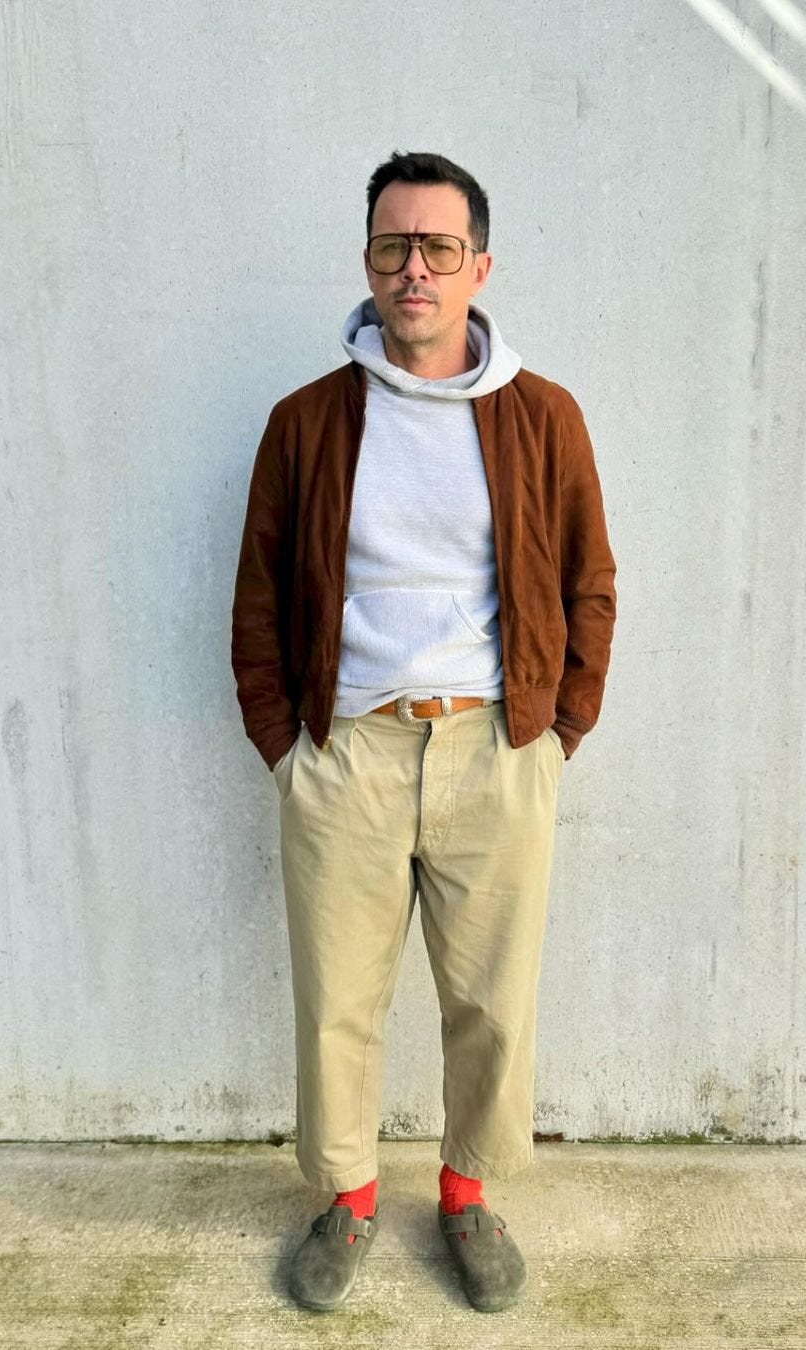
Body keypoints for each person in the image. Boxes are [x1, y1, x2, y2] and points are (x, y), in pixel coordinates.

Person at [230, 150, 616, 1314]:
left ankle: (464, 1193)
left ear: (478, 267)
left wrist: (557, 732)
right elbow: (257, 596)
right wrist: (285, 744)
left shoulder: (542, 416)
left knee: (492, 1000)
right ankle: (346, 1199)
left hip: (494, 748)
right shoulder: (306, 422)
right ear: (368, 262)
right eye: (395, 245)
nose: (416, 269)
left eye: (439, 248)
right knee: (338, 995)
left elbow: (590, 582)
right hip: (347, 752)